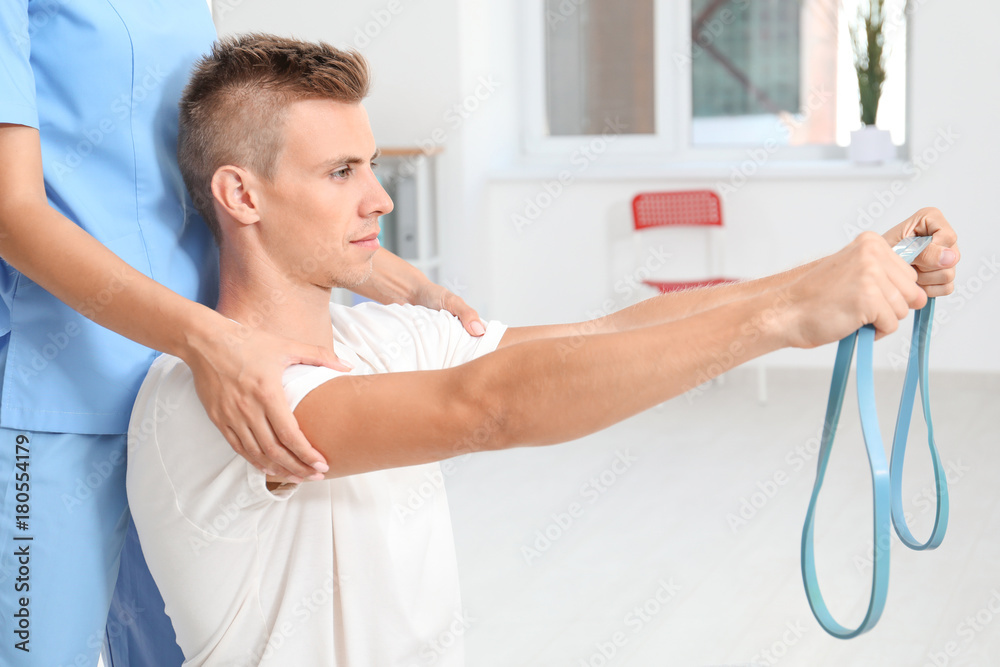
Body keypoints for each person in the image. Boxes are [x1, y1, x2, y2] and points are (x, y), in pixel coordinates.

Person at [125, 33, 961, 666]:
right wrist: (782, 317)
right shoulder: (211, 395)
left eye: (372, 165)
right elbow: (490, 406)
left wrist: (837, 273)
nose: (379, 197)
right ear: (240, 194)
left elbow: (605, 334)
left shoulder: (383, 336)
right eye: (341, 172)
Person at [0, 4, 481, 666]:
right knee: (39, 651)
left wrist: (400, 283)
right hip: (65, 390)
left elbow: (223, 168)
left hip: (198, 393)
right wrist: (206, 339)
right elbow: (11, 214)